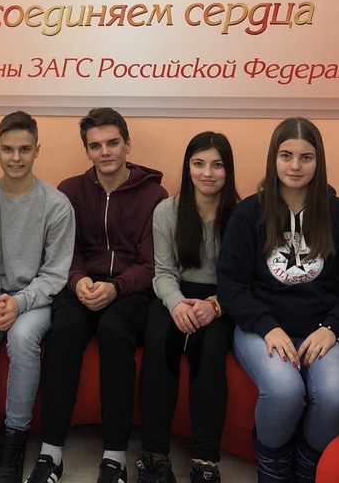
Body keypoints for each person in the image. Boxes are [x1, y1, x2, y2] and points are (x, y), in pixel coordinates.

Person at [216, 117, 339, 483]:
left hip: (324, 330)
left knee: (334, 395)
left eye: (306, 157)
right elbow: (231, 284)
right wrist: (267, 327)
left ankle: (305, 469)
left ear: (319, 161)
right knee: (284, 391)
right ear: (273, 158)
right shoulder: (249, 213)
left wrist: (333, 327)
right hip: (262, 329)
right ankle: (273, 471)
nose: (295, 166)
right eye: (286, 156)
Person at [27, 108, 167, 483]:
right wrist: (77, 281)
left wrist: (116, 287)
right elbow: (64, 249)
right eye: (95, 145)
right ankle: (51, 451)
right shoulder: (70, 191)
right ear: (87, 150)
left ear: (127, 145)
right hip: (82, 286)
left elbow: (151, 263)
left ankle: (115, 455)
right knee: (65, 329)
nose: (105, 152)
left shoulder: (154, 195)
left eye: (112, 143)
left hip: (129, 291)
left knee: (114, 329)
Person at [0, 112, 75, 483]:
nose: (16, 157)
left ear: (37, 150)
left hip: (34, 299)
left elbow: (55, 274)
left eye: (24, 149)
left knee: (24, 338)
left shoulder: (56, 205)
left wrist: (18, 303)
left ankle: (13, 443)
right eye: (8, 149)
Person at [138, 132, 239, 483]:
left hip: (222, 299)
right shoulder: (167, 211)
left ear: (228, 170)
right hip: (174, 292)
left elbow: (244, 279)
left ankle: (205, 461)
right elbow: (163, 272)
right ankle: (154, 456)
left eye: (217, 165)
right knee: (158, 341)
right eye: (199, 164)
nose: (207, 173)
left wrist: (216, 306)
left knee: (210, 350)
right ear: (187, 167)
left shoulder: (242, 215)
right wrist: (177, 304)